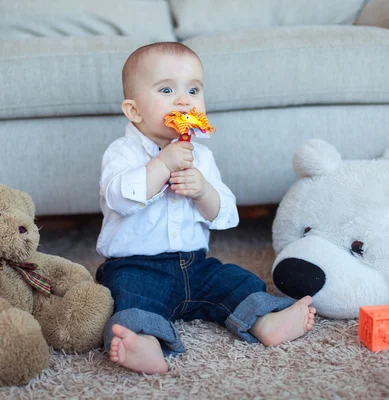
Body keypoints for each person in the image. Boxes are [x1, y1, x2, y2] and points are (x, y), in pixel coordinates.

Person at [96, 42, 316, 374]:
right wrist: (161, 164)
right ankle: (145, 343)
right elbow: (120, 198)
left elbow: (226, 214)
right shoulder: (122, 152)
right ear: (134, 111)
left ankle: (265, 323)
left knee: (233, 280)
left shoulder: (202, 158)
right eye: (167, 89)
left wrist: (203, 192)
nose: (184, 99)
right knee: (130, 298)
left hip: (194, 266)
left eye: (194, 89)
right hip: (137, 267)